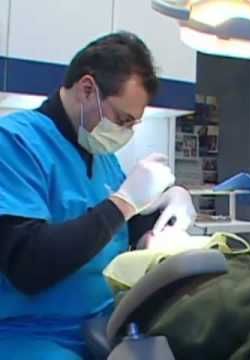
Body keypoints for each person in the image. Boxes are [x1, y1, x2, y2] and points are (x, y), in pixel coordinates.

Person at [0, 32, 196, 359]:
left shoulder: (102, 156)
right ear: (87, 89)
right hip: (31, 335)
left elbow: (114, 231)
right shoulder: (15, 143)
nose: (126, 133)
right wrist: (123, 202)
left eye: (134, 124)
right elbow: (28, 264)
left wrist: (162, 212)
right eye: (122, 120)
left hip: (107, 324)